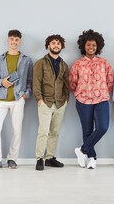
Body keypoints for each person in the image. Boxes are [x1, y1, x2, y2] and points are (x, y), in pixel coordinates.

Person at [0, 30, 33, 170]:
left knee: (16, 130)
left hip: (18, 98)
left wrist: (26, 94)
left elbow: (30, 80)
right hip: (1, 98)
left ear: (20, 42)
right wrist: (2, 82)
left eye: (16, 40)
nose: (14, 42)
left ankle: (12, 159)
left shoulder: (26, 60)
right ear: (8, 40)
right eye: (11, 39)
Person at [69, 29, 114, 169]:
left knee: (102, 127)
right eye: (88, 45)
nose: (91, 48)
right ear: (84, 46)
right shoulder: (77, 64)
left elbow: (110, 81)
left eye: (94, 45)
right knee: (87, 130)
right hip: (83, 101)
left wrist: (101, 92)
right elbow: (72, 83)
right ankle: (92, 158)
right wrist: (82, 93)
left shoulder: (104, 63)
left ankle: (81, 150)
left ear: (98, 47)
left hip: (101, 100)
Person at [33, 34, 69, 171]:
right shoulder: (40, 63)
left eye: (58, 44)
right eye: (53, 43)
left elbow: (66, 84)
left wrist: (66, 99)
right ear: (48, 45)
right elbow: (36, 82)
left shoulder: (64, 65)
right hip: (45, 102)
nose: (56, 45)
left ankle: (50, 158)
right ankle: (39, 159)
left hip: (60, 103)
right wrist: (39, 99)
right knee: (43, 131)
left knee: (55, 131)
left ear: (61, 47)